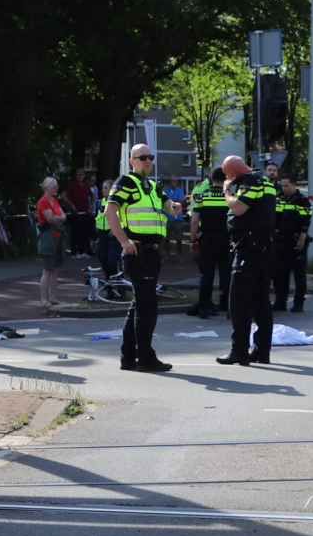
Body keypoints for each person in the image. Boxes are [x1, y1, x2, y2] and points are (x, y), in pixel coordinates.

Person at [104, 144, 172, 371]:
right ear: (132, 161)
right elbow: (110, 211)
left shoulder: (152, 185)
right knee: (146, 306)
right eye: (143, 157)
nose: (148, 161)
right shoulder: (125, 182)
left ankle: (128, 357)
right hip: (138, 252)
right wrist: (124, 241)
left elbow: (168, 207)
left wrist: (175, 207)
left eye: (151, 157)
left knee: (138, 305)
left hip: (151, 252)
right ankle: (145, 357)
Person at [217, 155, 275, 365]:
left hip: (249, 247)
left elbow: (239, 208)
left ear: (231, 174)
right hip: (263, 246)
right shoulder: (265, 180)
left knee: (239, 300)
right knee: (260, 300)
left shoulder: (250, 181)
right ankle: (261, 350)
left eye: (228, 176)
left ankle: (239, 350)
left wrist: (226, 191)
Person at [188, 164, 232, 317]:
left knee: (207, 275)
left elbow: (194, 222)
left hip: (207, 239)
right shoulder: (230, 198)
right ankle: (228, 308)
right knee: (227, 275)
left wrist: (193, 241)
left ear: (211, 179)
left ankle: (203, 308)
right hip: (226, 241)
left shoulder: (202, 197)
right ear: (226, 179)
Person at [272, 172, 311, 313]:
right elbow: (276, 217)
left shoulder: (302, 200)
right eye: (282, 185)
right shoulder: (280, 198)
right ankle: (280, 302)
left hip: (296, 241)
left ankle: (298, 303)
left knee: (299, 274)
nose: (284, 188)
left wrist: (301, 239)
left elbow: (306, 221)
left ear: (294, 185)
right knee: (280, 274)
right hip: (282, 241)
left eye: (287, 186)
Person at [35, 175, 68, 312]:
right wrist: (59, 218)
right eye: (54, 186)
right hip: (48, 238)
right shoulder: (43, 202)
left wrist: (58, 218)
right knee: (47, 269)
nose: (56, 188)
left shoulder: (54, 201)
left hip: (58, 237)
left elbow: (63, 217)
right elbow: (50, 219)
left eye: (57, 186)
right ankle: (43, 299)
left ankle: (53, 297)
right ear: (46, 188)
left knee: (56, 269)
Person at [63, 169, 95, 255]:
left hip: (85, 213)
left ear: (84, 176)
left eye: (81, 175)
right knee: (75, 232)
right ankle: (74, 251)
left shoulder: (86, 186)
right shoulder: (72, 185)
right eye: (78, 175)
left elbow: (93, 196)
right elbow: (63, 195)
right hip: (76, 213)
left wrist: (90, 206)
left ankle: (83, 251)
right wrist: (71, 205)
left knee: (84, 232)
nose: (80, 176)